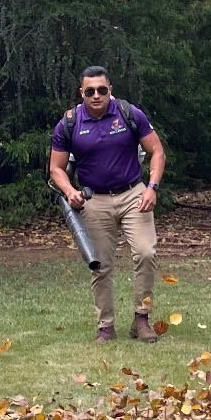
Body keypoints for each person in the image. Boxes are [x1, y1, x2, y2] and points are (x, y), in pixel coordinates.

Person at [49, 66, 166, 342]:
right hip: (94, 200)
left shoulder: (129, 113)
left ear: (110, 89)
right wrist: (69, 191)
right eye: (90, 91)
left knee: (146, 253)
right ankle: (105, 326)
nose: (96, 95)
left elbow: (157, 150)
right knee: (99, 265)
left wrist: (152, 187)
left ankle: (141, 319)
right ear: (82, 93)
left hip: (133, 194)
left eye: (102, 90)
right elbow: (55, 168)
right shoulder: (69, 123)